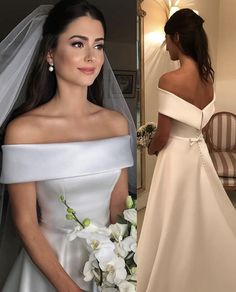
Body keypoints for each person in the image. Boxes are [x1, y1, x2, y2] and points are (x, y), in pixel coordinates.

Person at [0, 0, 135, 291]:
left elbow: (118, 208)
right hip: (49, 268)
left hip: (107, 268)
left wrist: (126, 268)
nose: (91, 57)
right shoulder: (24, 131)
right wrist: (68, 288)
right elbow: (25, 224)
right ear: (50, 53)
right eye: (78, 44)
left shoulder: (115, 124)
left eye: (98, 46)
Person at [138, 8, 236, 292]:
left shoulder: (169, 80)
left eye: (168, 40)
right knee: (198, 214)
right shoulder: (208, 80)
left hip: (176, 157)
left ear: (177, 37)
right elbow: (201, 128)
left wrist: (150, 146)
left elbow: (165, 134)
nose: (166, 46)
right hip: (199, 153)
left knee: (172, 217)